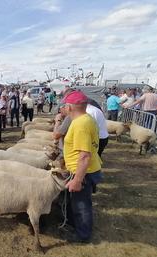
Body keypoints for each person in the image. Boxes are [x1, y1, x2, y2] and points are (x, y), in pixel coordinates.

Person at [61, 90, 102, 243]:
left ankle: (83, 235)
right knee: (78, 202)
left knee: (81, 205)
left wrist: (78, 180)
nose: (63, 108)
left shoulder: (80, 124)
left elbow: (84, 155)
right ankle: (75, 225)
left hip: (84, 172)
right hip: (84, 169)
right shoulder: (87, 119)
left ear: (70, 107)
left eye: (65, 106)